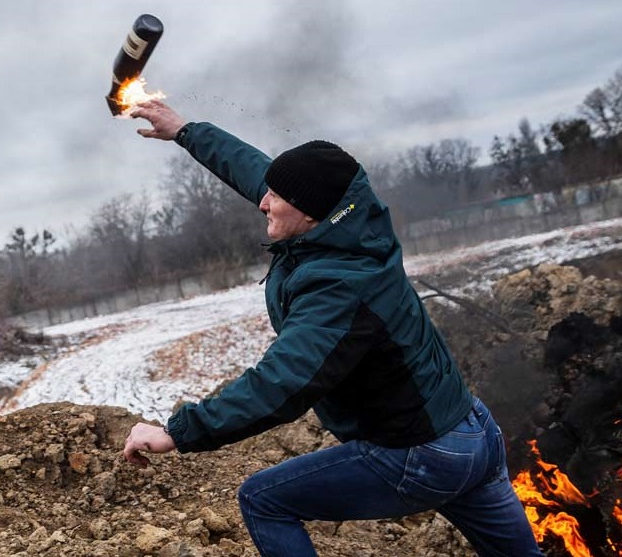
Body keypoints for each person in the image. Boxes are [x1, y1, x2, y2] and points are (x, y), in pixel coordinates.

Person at [121, 100, 542, 557]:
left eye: (276, 198)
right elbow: (260, 173)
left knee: (263, 500)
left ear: (309, 214)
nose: (263, 201)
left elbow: (281, 384)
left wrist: (177, 433)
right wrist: (184, 130)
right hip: (472, 433)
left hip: (419, 453)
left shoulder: (339, 288)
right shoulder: (347, 218)